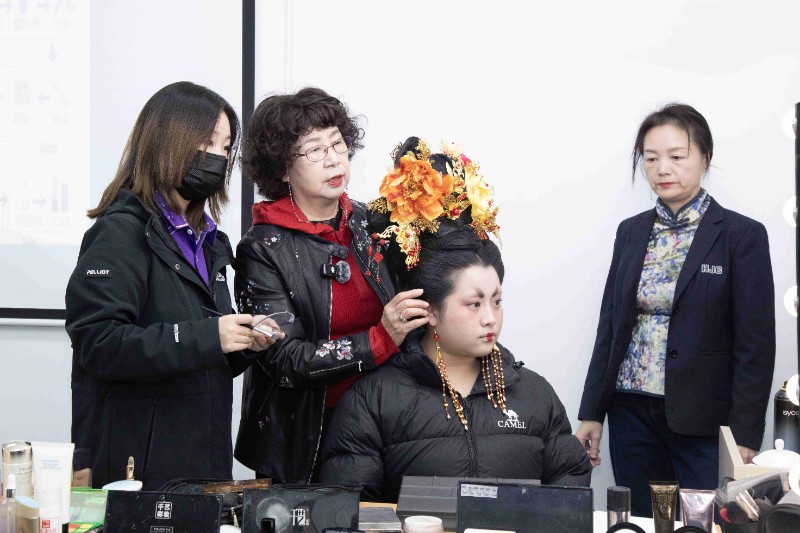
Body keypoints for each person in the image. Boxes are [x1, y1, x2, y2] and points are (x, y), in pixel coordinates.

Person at [318, 137, 592, 502]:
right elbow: (350, 505)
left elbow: (570, 486)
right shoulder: (374, 400)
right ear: (429, 309)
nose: (490, 319)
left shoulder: (534, 394)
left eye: (497, 301)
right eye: (474, 304)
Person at [66, 81, 281, 490]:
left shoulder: (210, 241)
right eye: (207, 142)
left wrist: (243, 343)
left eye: (225, 147)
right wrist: (210, 336)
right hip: (139, 474)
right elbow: (99, 344)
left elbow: (200, 351)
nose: (218, 157)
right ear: (168, 141)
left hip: (202, 463)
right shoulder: (120, 234)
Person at [576, 103, 776, 516]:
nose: (662, 169)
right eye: (650, 159)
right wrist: (591, 413)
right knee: (639, 518)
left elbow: (755, 344)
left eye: (676, 156)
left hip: (704, 418)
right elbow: (610, 325)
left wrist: (744, 434)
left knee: (703, 520)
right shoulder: (631, 232)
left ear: (705, 157)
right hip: (630, 410)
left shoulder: (741, 236)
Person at [234, 88, 428, 483]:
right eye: (315, 150)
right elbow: (286, 360)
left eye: (338, 144)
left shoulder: (372, 222)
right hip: (305, 436)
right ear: (283, 169)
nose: (334, 159)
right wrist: (379, 339)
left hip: (383, 419)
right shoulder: (262, 248)